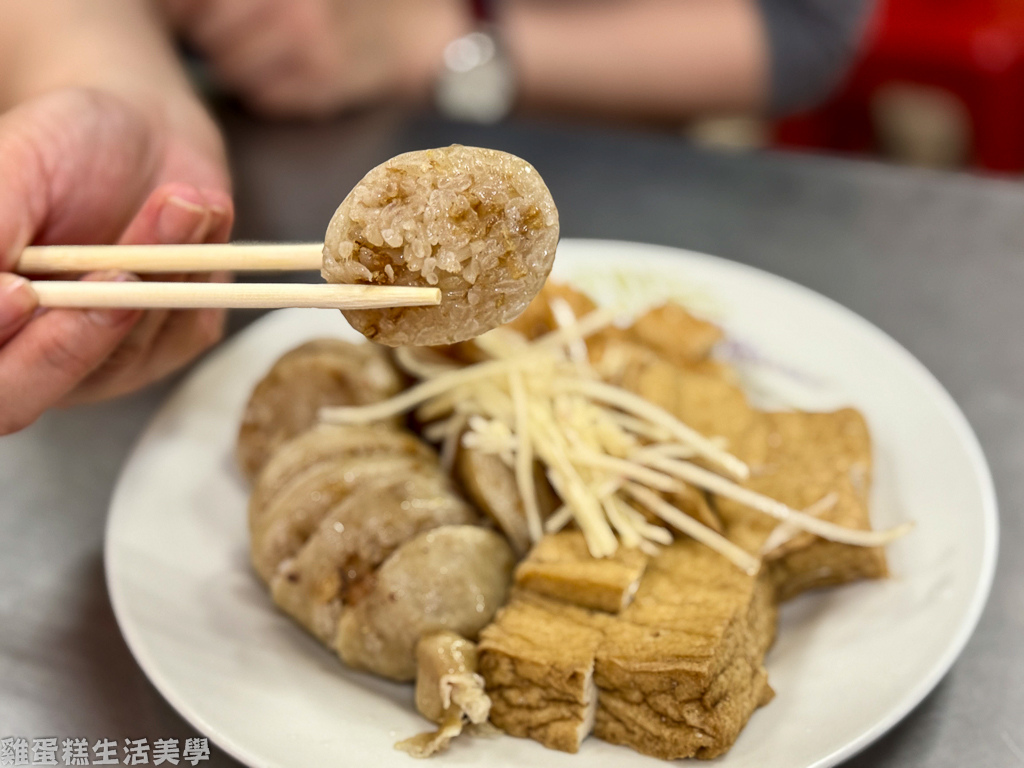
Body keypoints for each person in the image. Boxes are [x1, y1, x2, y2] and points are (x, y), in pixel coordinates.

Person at [0, 0, 869, 436]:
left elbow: (799, 26)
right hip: (210, 184)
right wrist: (112, 85)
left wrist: (447, 41)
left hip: (625, 162)